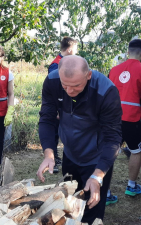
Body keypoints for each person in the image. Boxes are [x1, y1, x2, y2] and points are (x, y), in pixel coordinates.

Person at [37, 55, 122, 224]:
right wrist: (49, 154)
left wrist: (98, 175)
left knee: (92, 210)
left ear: (88, 75)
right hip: (70, 152)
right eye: (65, 85)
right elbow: (47, 119)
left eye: (76, 85)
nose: (69, 91)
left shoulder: (106, 91)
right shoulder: (52, 82)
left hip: (96, 156)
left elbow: (113, 138)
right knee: (69, 204)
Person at [109, 39, 141, 197]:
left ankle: (105, 192)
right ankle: (131, 186)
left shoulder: (114, 70)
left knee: (108, 152)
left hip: (112, 118)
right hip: (132, 119)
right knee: (136, 151)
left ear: (128, 52)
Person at [48, 37, 78, 173]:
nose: (76, 52)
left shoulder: (69, 62)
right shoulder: (56, 65)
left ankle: (62, 159)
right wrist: (57, 110)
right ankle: (52, 162)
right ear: (70, 48)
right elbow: (54, 89)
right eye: (76, 49)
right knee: (54, 133)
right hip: (58, 106)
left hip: (67, 106)